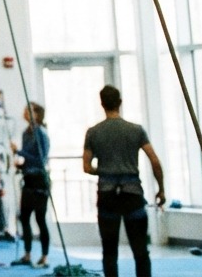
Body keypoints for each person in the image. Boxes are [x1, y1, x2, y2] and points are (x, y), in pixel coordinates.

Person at [82, 85, 165, 277]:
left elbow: (86, 167)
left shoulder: (93, 132)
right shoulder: (136, 130)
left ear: (102, 104)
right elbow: (155, 161)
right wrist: (161, 189)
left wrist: (104, 171)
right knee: (141, 251)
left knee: (109, 252)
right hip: (132, 194)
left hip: (107, 195)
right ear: (120, 102)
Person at [10, 102, 51, 268]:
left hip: (40, 181)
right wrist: (21, 164)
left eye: (29, 110)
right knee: (24, 217)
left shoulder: (41, 134)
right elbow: (30, 158)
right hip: (28, 179)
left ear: (37, 115)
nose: (25, 111)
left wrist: (19, 152)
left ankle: (44, 256)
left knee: (40, 219)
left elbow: (41, 160)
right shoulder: (26, 133)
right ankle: (27, 254)